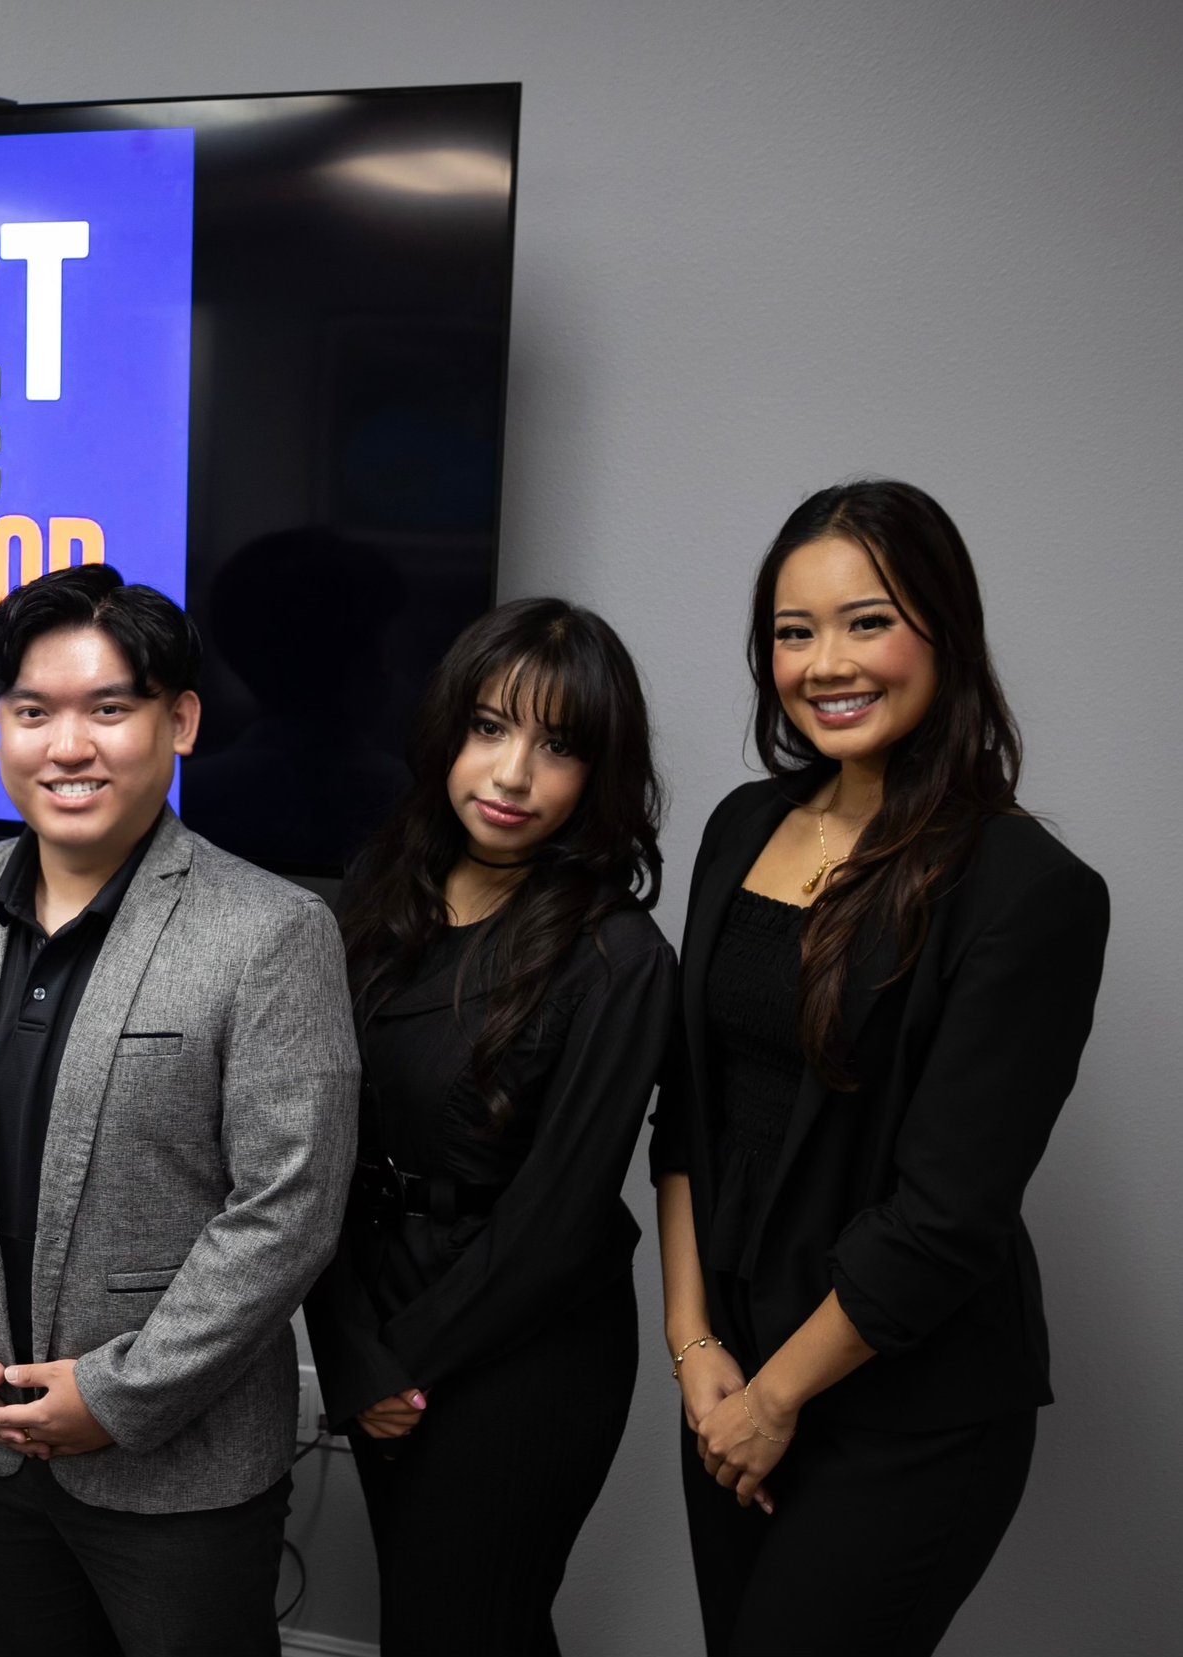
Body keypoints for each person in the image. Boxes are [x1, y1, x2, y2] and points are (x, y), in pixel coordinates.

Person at [651, 480, 1109, 1655]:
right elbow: (691, 1115)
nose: (824, 662)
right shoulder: (742, 825)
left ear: (942, 633)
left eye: (867, 620)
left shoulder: (1025, 890)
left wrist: (772, 1398)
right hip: (731, 1378)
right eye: (792, 632)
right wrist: (697, 1351)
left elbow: (948, 1216)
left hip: (902, 1405)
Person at [0, 563, 359, 1657]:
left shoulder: (271, 930)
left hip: (178, 1468)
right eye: (32, 711)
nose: (67, 745)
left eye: (109, 708)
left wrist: (115, 1392)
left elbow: (287, 1209)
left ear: (179, 720)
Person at [302, 598, 675, 1654]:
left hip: (520, 1356)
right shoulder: (381, 893)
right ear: (445, 734)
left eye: (557, 746)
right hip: (372, 1313)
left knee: (463, 1628)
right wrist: (348, 1348)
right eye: (489, 727)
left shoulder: (619, 957)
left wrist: (396, 1365)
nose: (512, 774)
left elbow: (559, 1222)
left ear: (597, 774)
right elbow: (313, 1138)